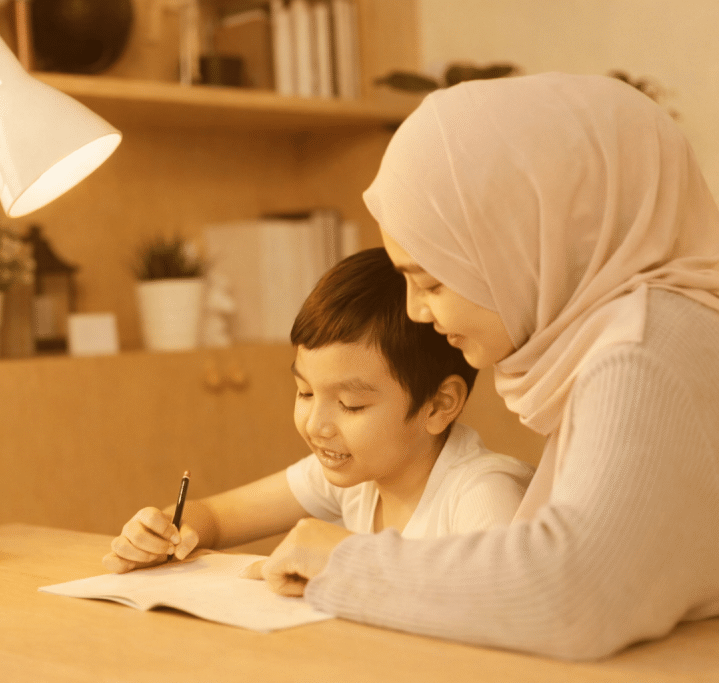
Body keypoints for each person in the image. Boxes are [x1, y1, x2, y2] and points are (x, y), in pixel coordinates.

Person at [251, 72, 719, 661]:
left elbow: (570, 595)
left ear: (521, 244)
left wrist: (346, 563)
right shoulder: (658, 328)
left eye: (431, 282)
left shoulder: (637, 350)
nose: (416, 311)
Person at [102, 247, 532, 574]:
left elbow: (505, 613)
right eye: (305, 393)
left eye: (350, 405)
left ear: (439, 405)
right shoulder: (357, 474)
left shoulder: (483, 496)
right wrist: (163, 531)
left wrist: (350, 563)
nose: (316, 425)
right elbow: (215, 516)